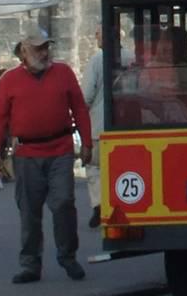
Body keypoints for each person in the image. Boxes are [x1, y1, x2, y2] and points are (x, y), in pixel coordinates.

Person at [0, 26, 92, 283]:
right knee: (29, 211)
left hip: (60, 148)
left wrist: (87, 142)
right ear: (24, 50)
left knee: (64, 202)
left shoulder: (63, 73)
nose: (44, 53)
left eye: (46, 47)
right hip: (27, 152)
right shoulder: (9, 80)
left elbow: (79, 107)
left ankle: (68, 255)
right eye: (38, 48)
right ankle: (30, 263)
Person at [79, 29, 106, 228]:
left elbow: (86, 96)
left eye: (98, 33)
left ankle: (99, 203)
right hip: (124, 123)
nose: (96, 37)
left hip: (98, 124)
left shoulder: (96, 61)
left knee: (94, 166)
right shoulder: (130, 56)